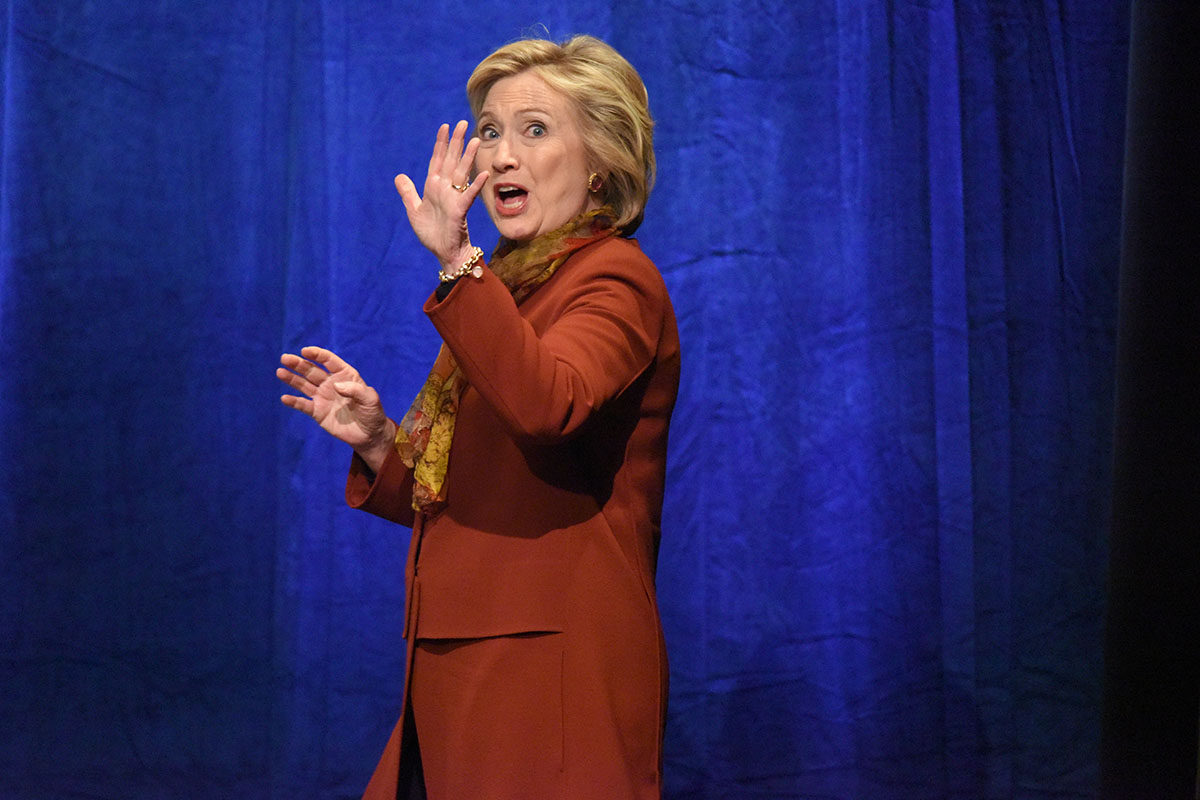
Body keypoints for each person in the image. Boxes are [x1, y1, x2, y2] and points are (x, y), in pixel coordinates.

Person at [276, 35, 679, 799]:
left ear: (600, 163)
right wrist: (379, 441)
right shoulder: (508, 289)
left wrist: (458, 260)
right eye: (489, 131)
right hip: (455, 666)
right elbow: (474, 494)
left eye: (535, 129)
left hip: (549, 674)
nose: (500, 155)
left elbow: (549, 407)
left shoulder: (615, 280)